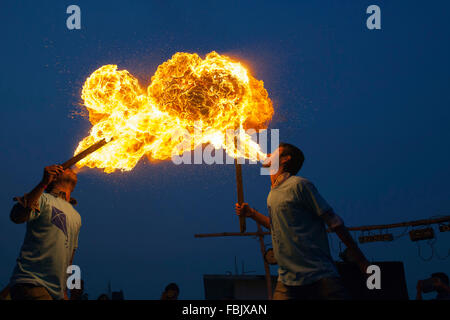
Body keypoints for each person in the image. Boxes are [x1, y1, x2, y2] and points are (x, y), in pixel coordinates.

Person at [235, 143, 369, 300]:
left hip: (319, 276)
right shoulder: (272, 194)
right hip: (286, 280)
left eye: (274, 152)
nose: (268, 155)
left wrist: (361, 261)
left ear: (285, 159)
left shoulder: (299, 185)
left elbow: (335, 223)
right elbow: (277, 228)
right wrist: (252, 214)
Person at [8, 165, 81, 300]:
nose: (70, 169)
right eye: (65, 168)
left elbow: (69, 257)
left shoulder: (77, 217)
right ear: (53, 178)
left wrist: (65, 291)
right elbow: (16, 216)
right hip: (31, 283)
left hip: (57, 293)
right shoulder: (43, 199)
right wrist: (43, 183)